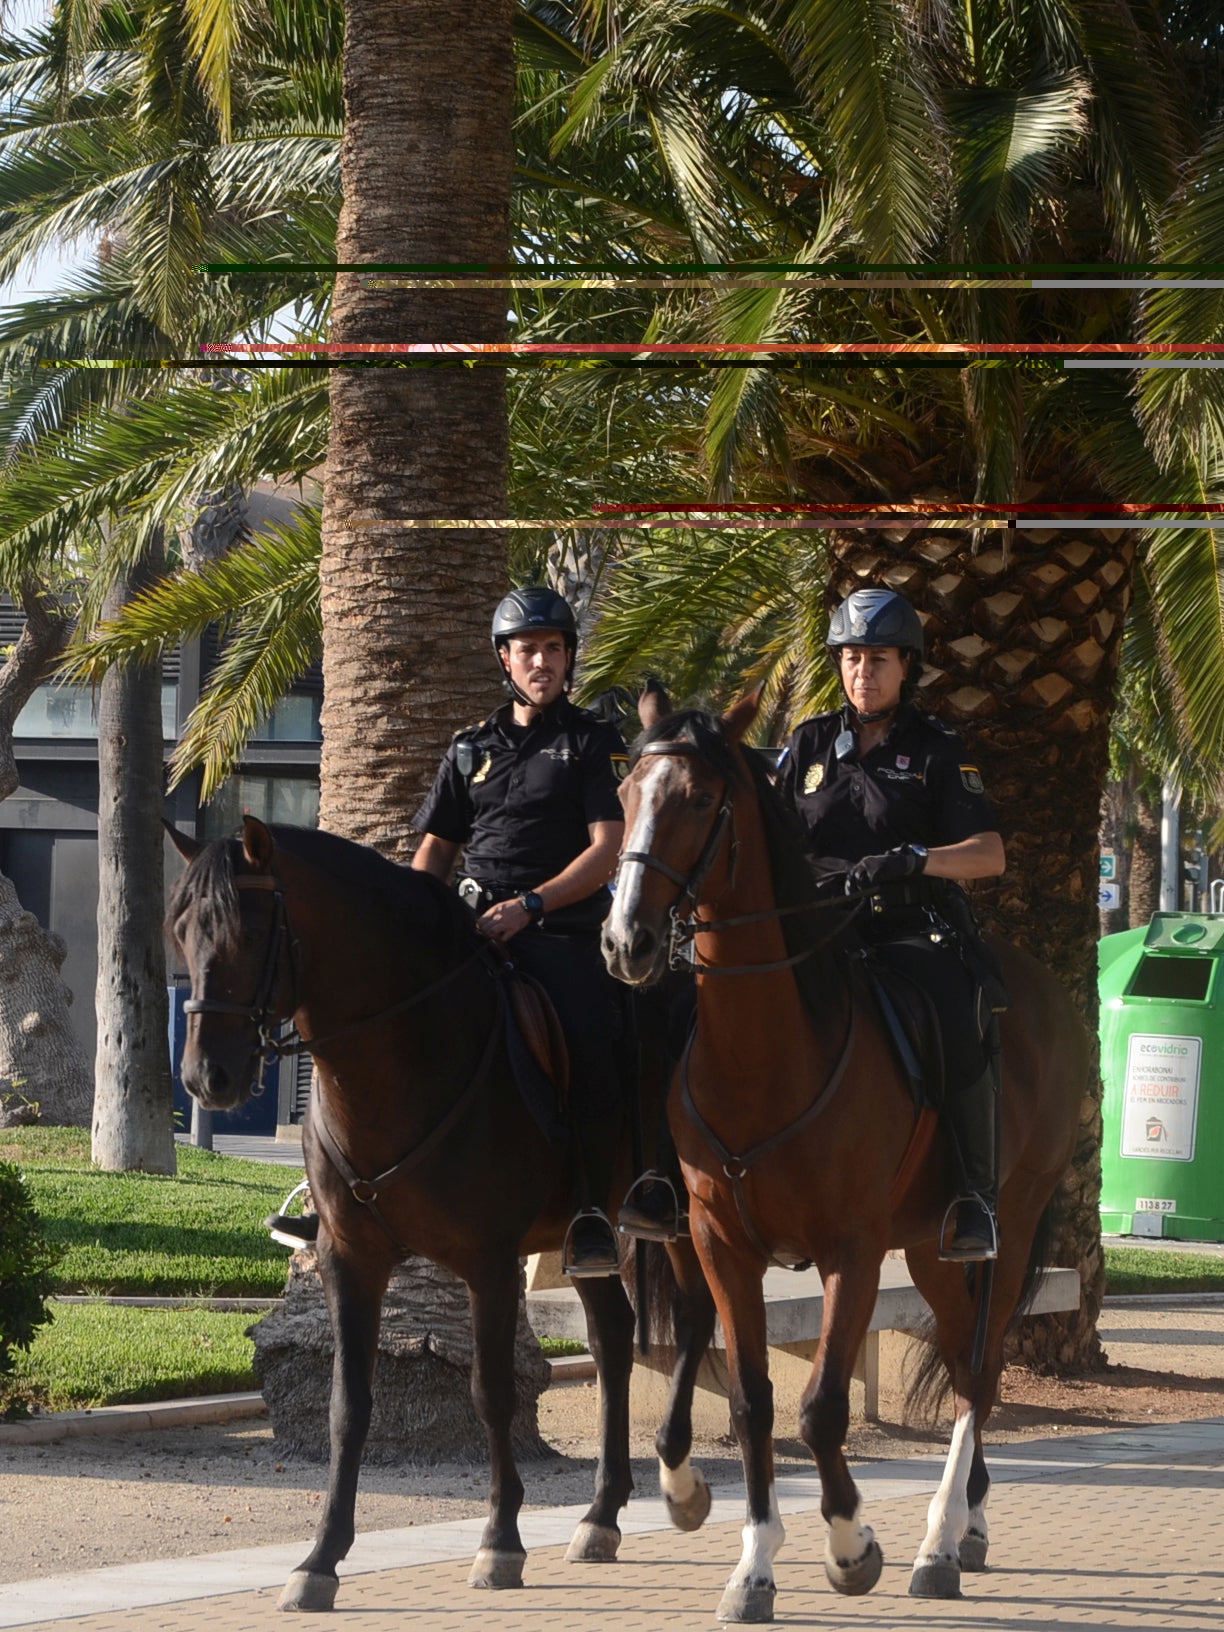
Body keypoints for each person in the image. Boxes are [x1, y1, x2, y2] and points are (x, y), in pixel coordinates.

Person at [776, 587, 1006, 1261]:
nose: (862, 673)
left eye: (878, 658)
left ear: (908, 666)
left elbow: (989, 855)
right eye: (851, 658)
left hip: (906, 931)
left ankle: (974, 1198)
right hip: (819, 932)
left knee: (955, 1015)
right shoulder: (809, 742)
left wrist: (914, 858)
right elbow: (769, 834)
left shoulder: (938, 748)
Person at [409, 586, 629, 1277]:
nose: (542, 662)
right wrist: (417, 917)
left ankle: (592, 1211)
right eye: (528, 650)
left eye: (553, 649)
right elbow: (436, 851)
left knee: (595, 1035)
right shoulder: (469, 748)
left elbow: (607, 850)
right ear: (505, 659)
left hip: (557, 934)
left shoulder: (593, 743)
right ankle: (349, 1197)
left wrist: (532, 906)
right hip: (473, 926)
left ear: (569, 658)